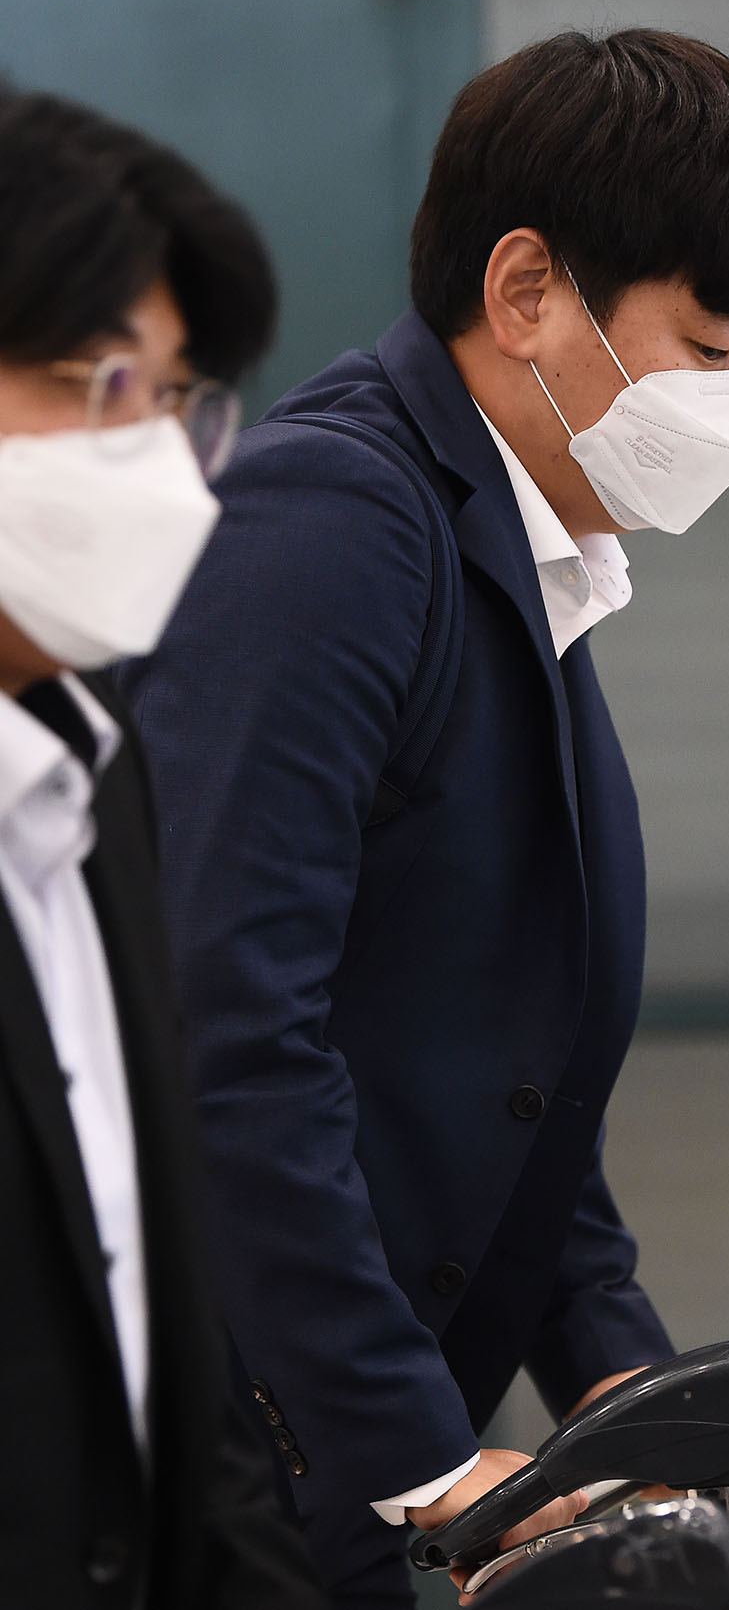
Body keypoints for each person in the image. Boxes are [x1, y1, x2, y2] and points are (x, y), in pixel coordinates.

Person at [119, 27, 729, 1605]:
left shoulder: (526, 548)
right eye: (708, 349)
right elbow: (223, 1031)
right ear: (526, 293)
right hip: (233, 1466)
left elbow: (506, 1063)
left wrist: (619, 1379)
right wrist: (413, 1448)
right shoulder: (331, 529)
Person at [0, 86, 329, 1609]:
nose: (161, 461)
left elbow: (169, 1371)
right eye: (103, 382)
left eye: (179, 397)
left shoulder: (96, 775)